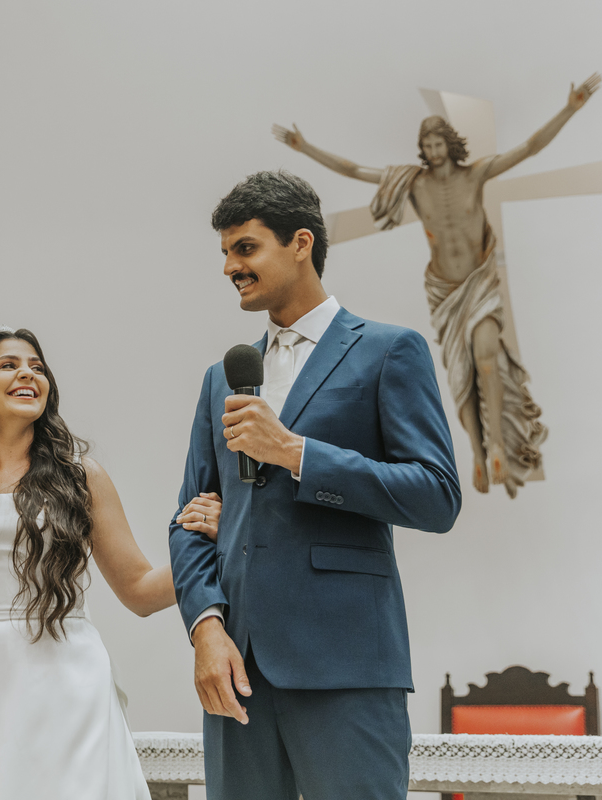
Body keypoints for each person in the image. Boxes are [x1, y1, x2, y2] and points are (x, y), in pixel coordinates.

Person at [169, 171, 461, 800]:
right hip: (238, 671)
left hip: (346, 666)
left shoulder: (389, 351)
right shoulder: (223, 378)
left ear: (301, 243)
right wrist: (206, 628)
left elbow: (437, 495)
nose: (230, 267)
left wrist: (297, 454)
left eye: (245, 248)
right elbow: (190, 518)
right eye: (225, 252)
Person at [0, 326, 222, 800]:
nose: (28, 374)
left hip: (68, 684)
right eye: (9, 365)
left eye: (38, 367)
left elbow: (140, 590)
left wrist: (213, 548)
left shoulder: (80, 477)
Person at [272, 74, 601, 496]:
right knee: (463, 373)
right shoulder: (414, 183)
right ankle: (479, 453)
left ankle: (498, 446)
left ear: (450, 143)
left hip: (479, 283)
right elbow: (354, 170)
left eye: (437, 143)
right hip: (446, 291)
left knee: (486, 357)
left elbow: (529, 147)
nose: (432, 150)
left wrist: (570, 108)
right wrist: (306, 148)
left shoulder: (476, 173)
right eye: (426, 145)